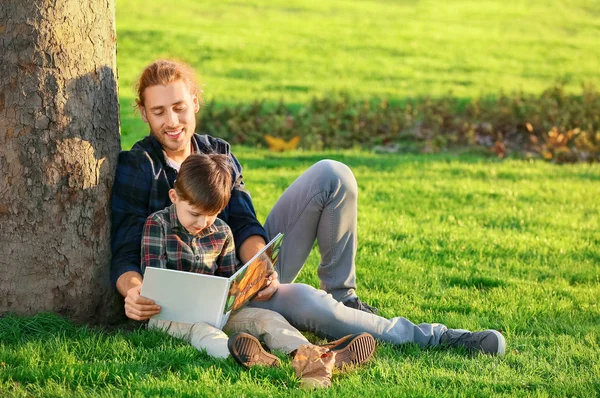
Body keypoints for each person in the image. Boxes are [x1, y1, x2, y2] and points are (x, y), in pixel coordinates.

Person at [110, 59, 506, 356]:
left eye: (179, 106)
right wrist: (133, 292)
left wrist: (260, 269)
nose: (172, 121)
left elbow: (246, 222)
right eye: (158, 112)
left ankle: (345, 297)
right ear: (143, 113)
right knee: (309, 303)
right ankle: (437, 336)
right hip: (185, 300)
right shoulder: (138, 166)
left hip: (242, 278)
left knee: (332, 174)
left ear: (194, 102)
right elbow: (126, 248)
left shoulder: (219, 154)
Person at [140, 152, 376, 377]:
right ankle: (246, 358)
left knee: (267, 319)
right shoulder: (158, 225)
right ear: (174, 197)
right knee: (204, 332)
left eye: (210, 215)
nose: (202, 223)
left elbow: (229, 280)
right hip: (170, 315)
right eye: (194, 214)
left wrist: (241, 289)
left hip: (214, 312)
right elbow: (156, 283)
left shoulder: (222, 231)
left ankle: (313, 356)